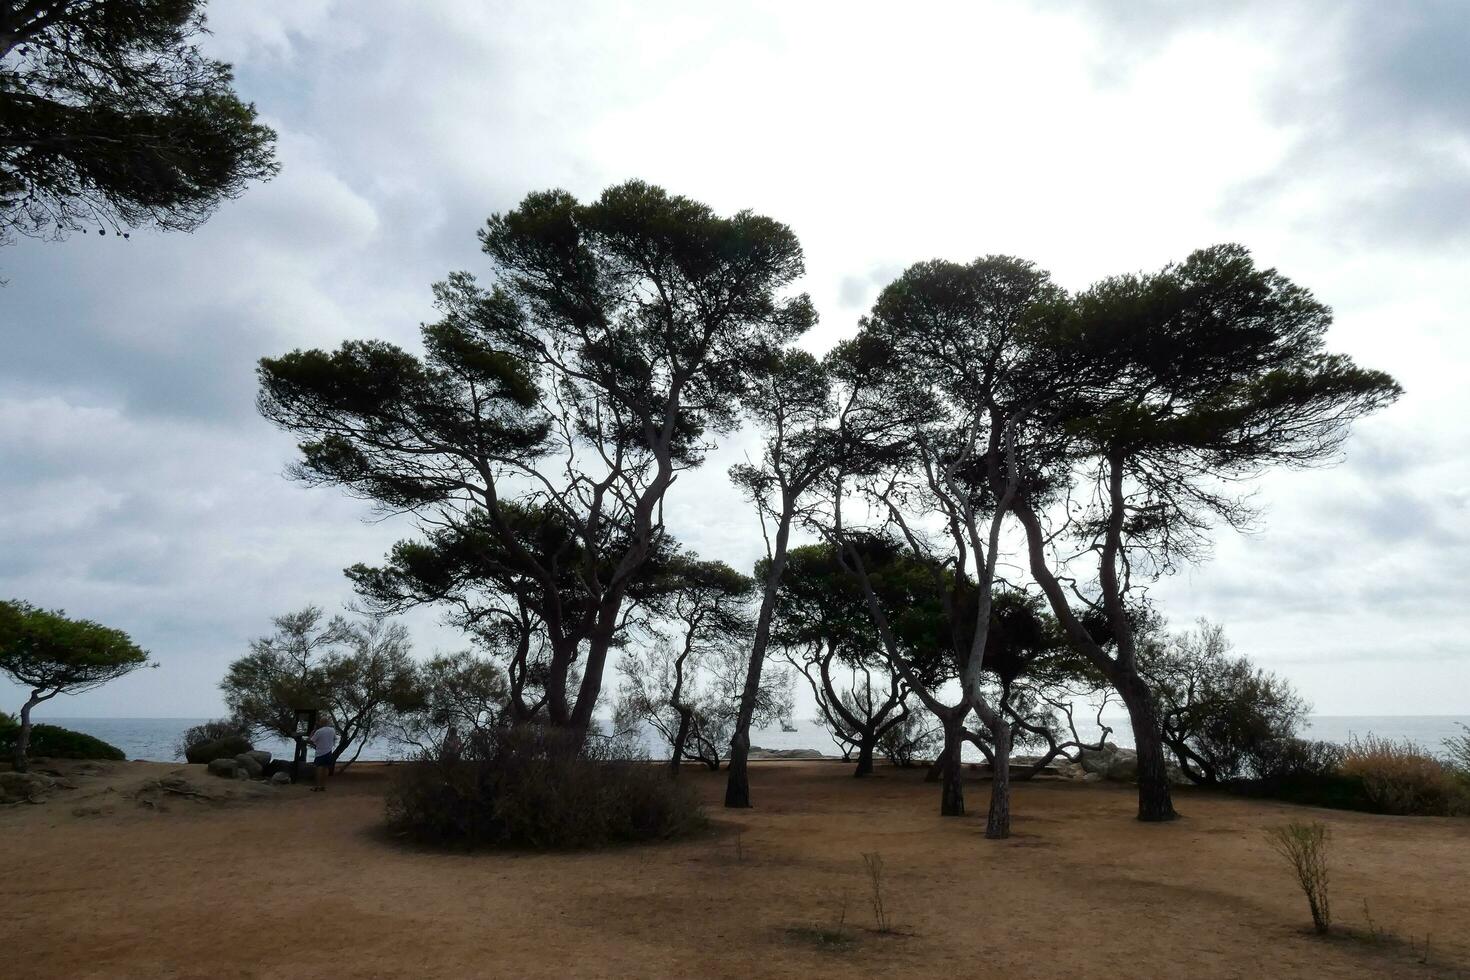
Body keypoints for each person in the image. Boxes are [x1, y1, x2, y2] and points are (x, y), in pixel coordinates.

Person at [309, 716, 337, 792]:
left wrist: (312, 733)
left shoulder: (319, 731)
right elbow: (334, 738)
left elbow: (311, 740)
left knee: (318, 769)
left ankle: (317, 786)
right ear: (327, 722)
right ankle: (323, 786)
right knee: (325, 769)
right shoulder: (332, 730)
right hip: (328, 752)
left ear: (321, 723)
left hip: (320, 753)